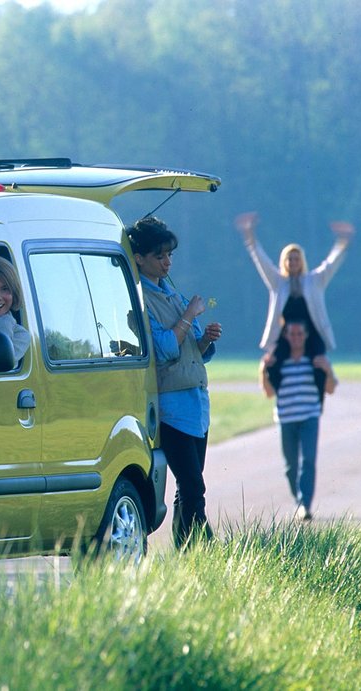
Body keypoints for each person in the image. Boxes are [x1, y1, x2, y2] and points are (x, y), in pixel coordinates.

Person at [127, 216, 222, 548]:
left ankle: (189, 550)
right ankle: (202, 547)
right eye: (159, 255)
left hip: (196, 403)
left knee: (190, 487)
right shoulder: (140, 298)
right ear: (139, 258)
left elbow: (193, 349)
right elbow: (165, 348)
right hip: (171, 406)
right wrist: (189, 315)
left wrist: (206, 339)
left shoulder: (170, 290)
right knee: (193, 486)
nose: (167, 262)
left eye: (169, 255)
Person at [234, 211, 353, 358]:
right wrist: (249, 235)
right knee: (271, 364)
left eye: (296, 259)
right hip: (284, 336)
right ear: (284, 262)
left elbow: (331, 263)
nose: (293, 262)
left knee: (320, 364)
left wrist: (343, 241)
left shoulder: (314, 281)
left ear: (302, 261)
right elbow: (260, 259)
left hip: (312, 334)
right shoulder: (278, 282)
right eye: (289, 259)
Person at [260, 321, 338, 522]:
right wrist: (263, 370)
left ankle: (305, 504)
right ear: (285, 336)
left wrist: (328, 370)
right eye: (291, 334)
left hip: (309, 416)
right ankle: (298, 499)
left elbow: (330, 388)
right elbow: (269, 393)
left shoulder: (314, 360)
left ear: (305, 336)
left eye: (299, 334)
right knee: (290, 466)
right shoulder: (279, 362)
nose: (295, 338)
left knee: (308, 461)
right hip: (286, 418)